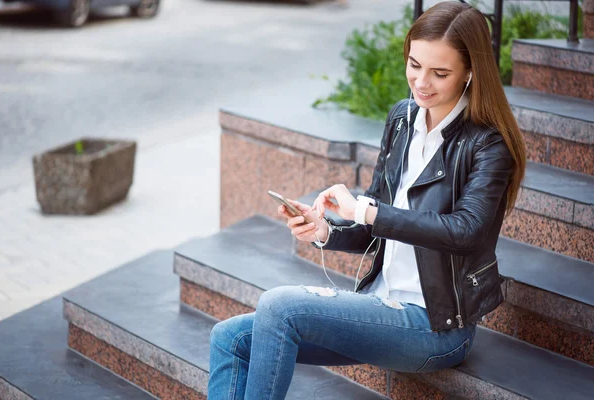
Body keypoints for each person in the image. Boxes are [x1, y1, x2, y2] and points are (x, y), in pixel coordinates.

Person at [207, 1, 526, 399]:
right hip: (380, 305)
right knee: (228, 337)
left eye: (439, 72)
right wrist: (326, 230)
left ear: (470, 72)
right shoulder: (402, 119)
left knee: (279, 306)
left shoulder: (487, 143)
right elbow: (375, 228)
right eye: (414, 65)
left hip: (435, 326)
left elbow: (467, 231)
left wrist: (364, 209)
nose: (421, 82)